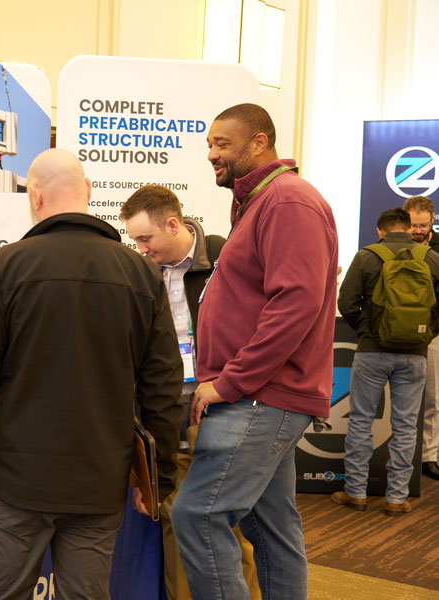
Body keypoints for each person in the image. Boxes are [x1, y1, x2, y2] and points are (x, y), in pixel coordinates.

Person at [0, 148, 183, 600]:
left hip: (18, 482)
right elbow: (164, 386)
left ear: (34, 196)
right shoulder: (142, 274)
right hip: (99, 482)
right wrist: (159, 476)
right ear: (88, 193)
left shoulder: (8, 266)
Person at [170, 103, 338, 600]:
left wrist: (230, 380)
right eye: (209, 144)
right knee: (271, 526)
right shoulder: (260, 201)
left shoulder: (287, 202)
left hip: (261, 396)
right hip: (260, 394)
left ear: (259, 142)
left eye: (222, 144)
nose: (211, 154)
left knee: (198, 514)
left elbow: (296, 302)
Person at [120, 185, 260, 600]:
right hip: (163, 406)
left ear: (173, 224)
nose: (141, 249)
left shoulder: (224, 255)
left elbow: (257, 326)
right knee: (174, 516)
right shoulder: (140, 271)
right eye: (135, 242)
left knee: (226, 518)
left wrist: (228, 384)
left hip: (219, 402)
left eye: (145, 239)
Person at [334, 207, 439, 515]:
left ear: (380, 231)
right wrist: (426, 335)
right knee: (406, 426)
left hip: (371, 352)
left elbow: (346, 302)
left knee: (361, 421)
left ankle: (356, 493)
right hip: (414, 355)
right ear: (409, 229)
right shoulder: (431, 257)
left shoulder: (367, 255)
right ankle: (396, 497)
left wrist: (368, 331)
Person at [402, 195, 439, 480]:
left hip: (433, 334)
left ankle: (428, 455)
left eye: (423, 225)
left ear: (432, 220)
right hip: (394, 335)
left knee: (433, 399)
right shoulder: (390, 246)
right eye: (413, 225)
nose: (418, 231)